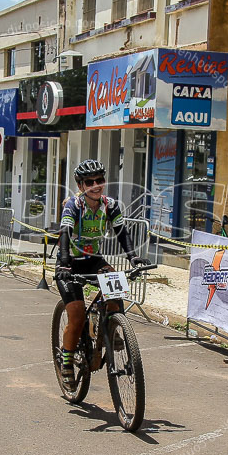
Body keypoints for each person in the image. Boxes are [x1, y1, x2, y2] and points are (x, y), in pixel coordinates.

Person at [54, 159, 149, 385]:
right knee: (76, 317)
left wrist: (133, 256)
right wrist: (65, 263)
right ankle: (66, 362)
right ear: (80, 186)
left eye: (100, 180)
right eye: (90, 182)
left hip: (93, 260)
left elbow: (121, 232)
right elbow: (65, 233)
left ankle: (112, 327)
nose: (96, 185)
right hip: (70, 262)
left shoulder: (110, 205)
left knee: (116, 287)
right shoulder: (73, 205)